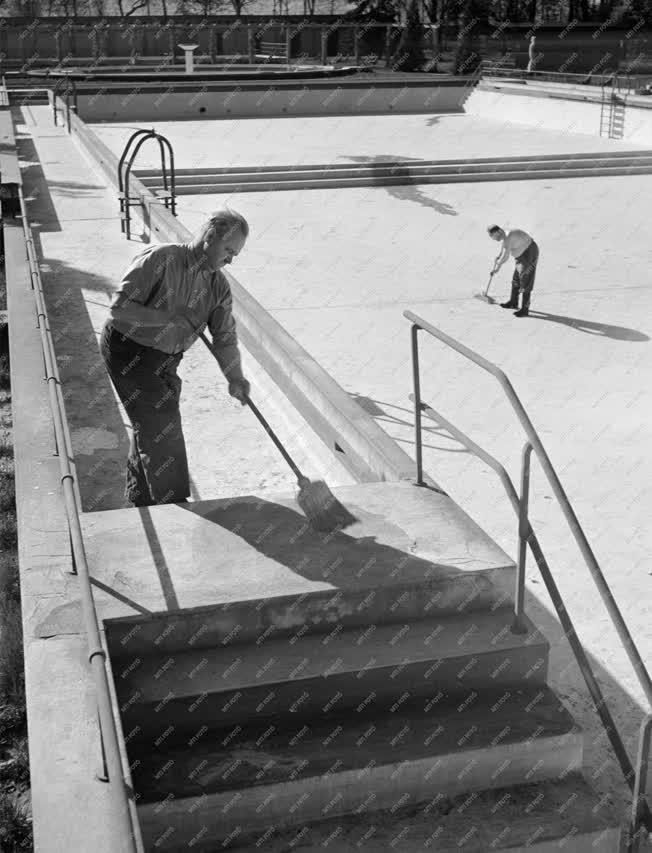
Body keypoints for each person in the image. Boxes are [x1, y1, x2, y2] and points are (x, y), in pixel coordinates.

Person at [100, 208, 250, 507]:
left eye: (236, 254)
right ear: (210, 236)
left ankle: (140, 497)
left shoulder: (218, 286)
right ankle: (174, 505)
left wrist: (235, 377)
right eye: (229, 250)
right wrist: (166, 318)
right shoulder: (161, 258)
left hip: (167, 359)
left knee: (150, 422)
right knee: (161, 424)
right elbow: (119, 309)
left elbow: (225, 338)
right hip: (128, 350)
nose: (231, 259)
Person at [487, 224, 539, 317]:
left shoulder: (508, 236)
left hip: (529, 253)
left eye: (494, 237)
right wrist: (497, 265)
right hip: (520, 257)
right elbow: (503, 251)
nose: (495, 239)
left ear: (499, 231)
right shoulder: (505, 235)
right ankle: (513, 302)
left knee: (525, 280)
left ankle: (525, 309)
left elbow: (506, 256)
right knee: (516, 279)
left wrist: (498, 266)